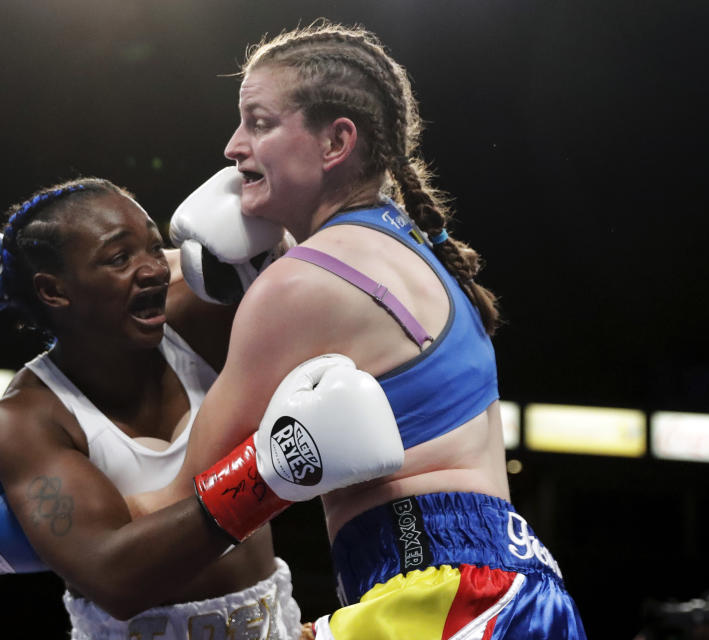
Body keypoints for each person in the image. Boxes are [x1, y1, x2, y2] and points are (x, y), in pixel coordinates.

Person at [129, 20, 588, 639]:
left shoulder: (299, 286)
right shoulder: (408, 243)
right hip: (514, 587)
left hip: (439, 599)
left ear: (335, 142)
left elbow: (185, 504)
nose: (233, 146)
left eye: (260, 122)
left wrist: (51, 533)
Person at [0, 175, 405, 639]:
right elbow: (114, 577)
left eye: (153, 247)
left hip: (270, 624)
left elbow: (333, 289)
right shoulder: (29, 417)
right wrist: (269, 475)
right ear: (53, 291)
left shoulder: (196, 312)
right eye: (119, 259)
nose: (153, 270)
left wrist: (279, 243)